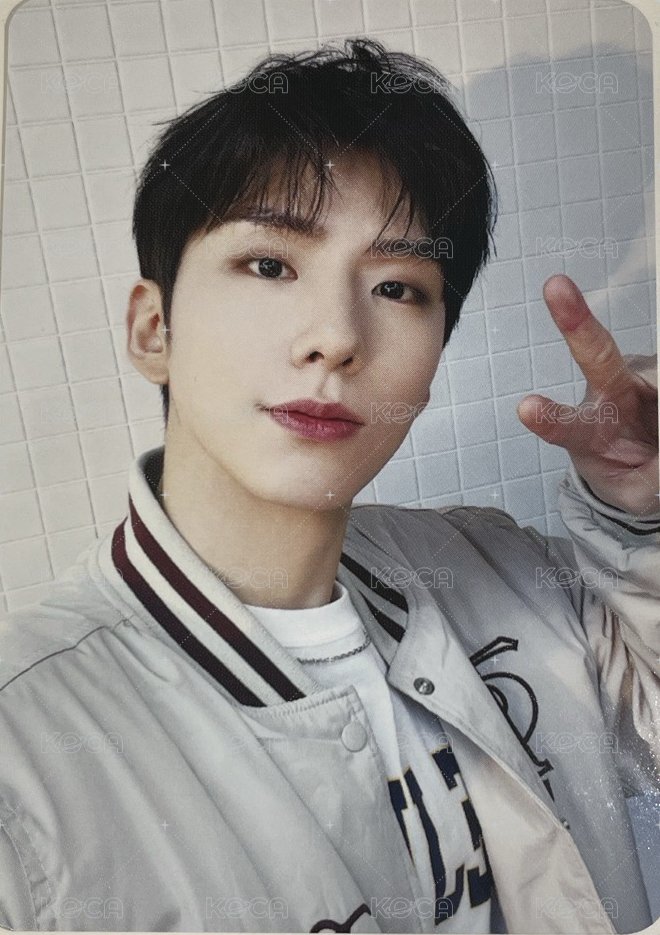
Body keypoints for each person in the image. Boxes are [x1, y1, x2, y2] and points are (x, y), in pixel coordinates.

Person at [0, 38, 658, 935]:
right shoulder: (28, 751)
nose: (337, 336)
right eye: (271, 265)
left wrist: (639, 510)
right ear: (154, 329)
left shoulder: (495, 564)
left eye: (398, 286)